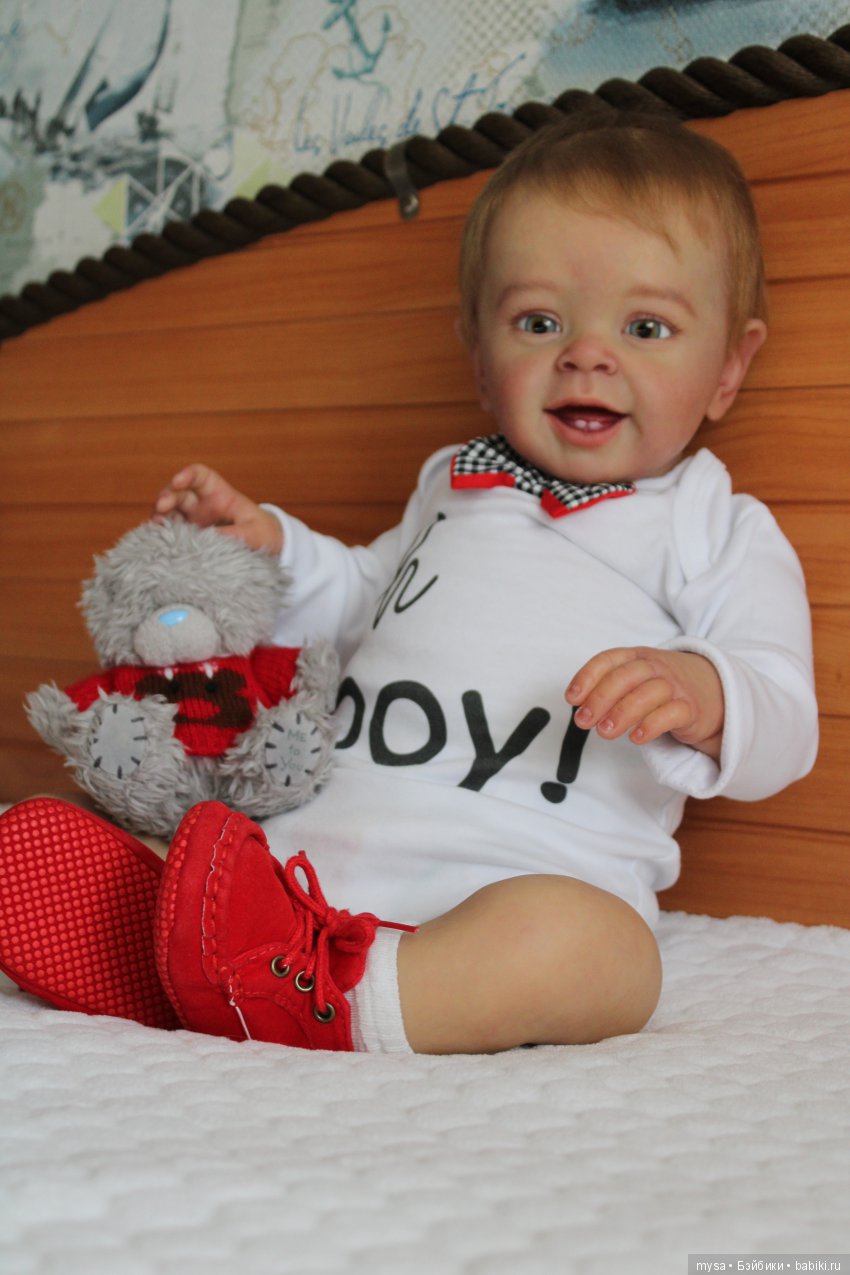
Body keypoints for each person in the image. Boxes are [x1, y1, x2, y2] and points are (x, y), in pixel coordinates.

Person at [0, 112, 817, 1056]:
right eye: (539, 322)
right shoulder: (452, 485)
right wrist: (272, 547)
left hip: (512, 882)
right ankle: (227, 959)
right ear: (480, 355)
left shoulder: (714, 525)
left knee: (604, 955)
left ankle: (346, 1000)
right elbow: (360, 604)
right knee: (95, 844)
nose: (587, 354)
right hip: (303, 872)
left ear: (729, 368)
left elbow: (786, 717)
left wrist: (705, 690)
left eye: (646, 327)